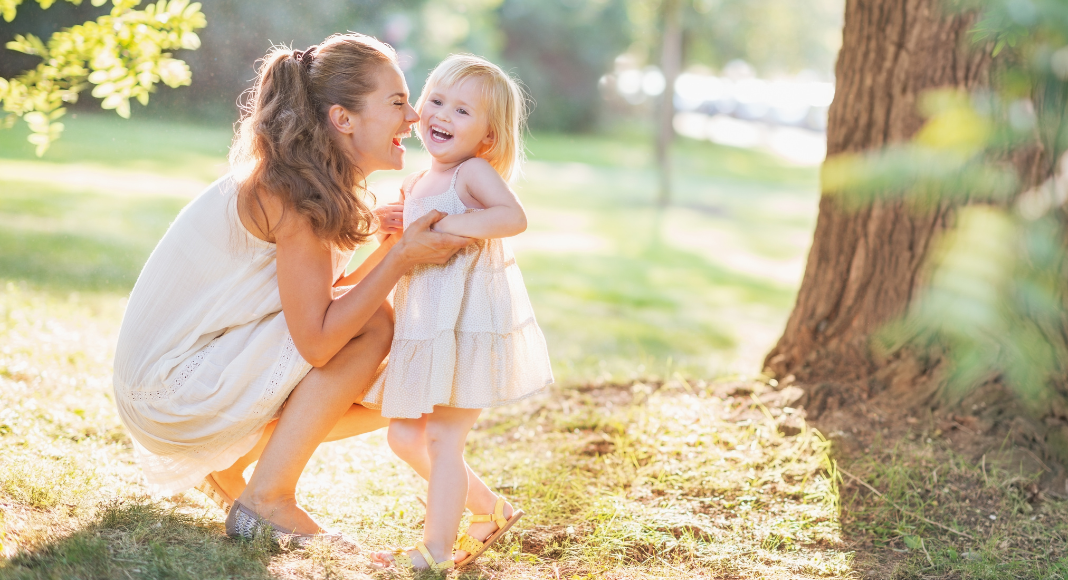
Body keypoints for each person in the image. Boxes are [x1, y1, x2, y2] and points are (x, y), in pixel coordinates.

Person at [111, 33, 474, 543]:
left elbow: (319, 296)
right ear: (342, 119)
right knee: (375, 326)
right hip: (168, 389)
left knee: (401, 380)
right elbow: (319, 340)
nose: (413, 117)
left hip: (174, 376)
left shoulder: (312, 181)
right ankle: (268, 500)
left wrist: (385, 243)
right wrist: (399, 256)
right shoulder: (291, 193)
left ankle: (235, 468)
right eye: (397, 102)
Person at [363, 54, 553, 573]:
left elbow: (513, 217)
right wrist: (396, 227)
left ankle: (435, 552)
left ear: (487, 137)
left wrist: (450, 227)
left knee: (444, 440)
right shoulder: (419, 178)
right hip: (426, 326)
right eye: (438, 101)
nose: (443, 115)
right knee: (404, 436)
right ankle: (492, 510)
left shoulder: (472, 172)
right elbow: (411, 244)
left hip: (467, 327)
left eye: (463, 111)